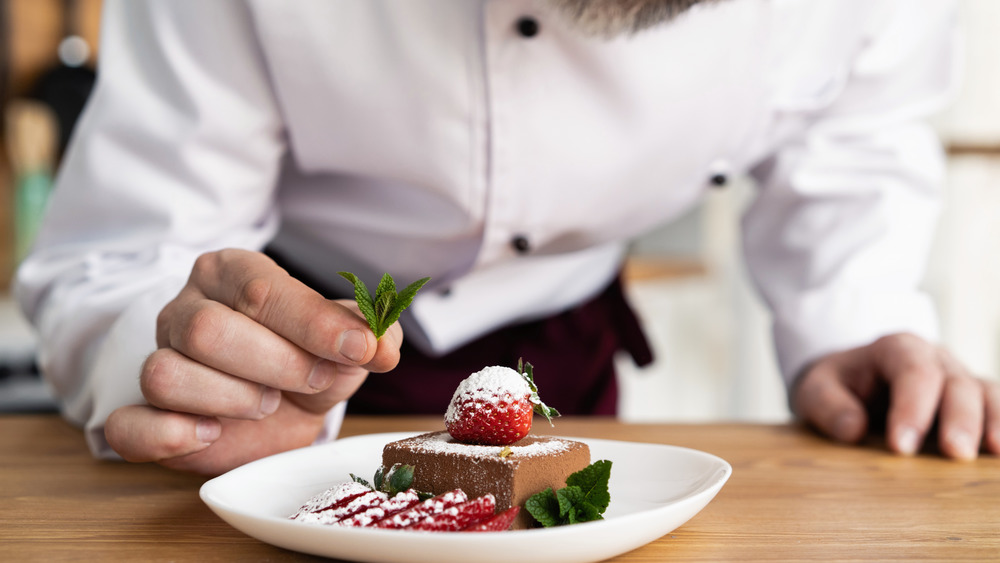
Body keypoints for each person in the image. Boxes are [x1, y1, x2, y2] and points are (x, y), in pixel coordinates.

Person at [15, 0, 999, 475]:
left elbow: (854, 150)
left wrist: (854, 326)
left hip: (571, 366)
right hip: (288, 381)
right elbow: (125, 249)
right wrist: (182, 362)